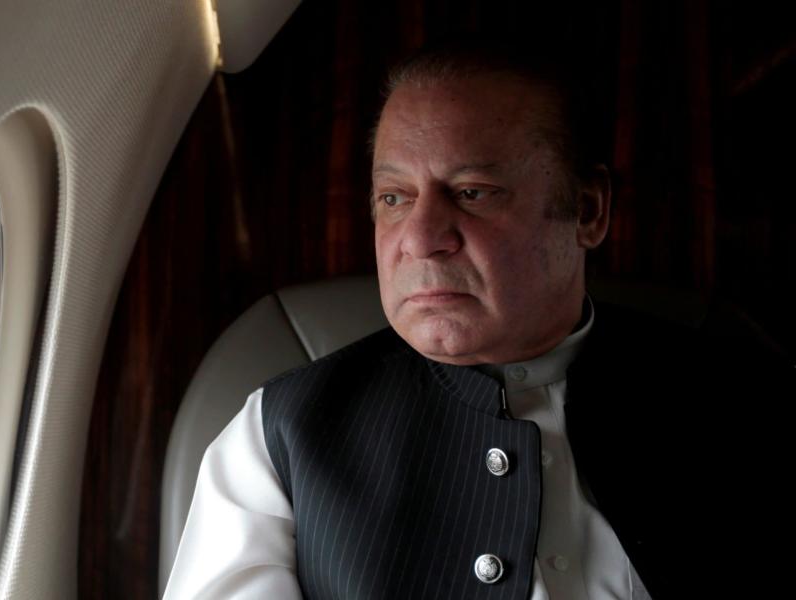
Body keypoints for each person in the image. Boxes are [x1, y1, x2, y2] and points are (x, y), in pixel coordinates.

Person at [163, 40, 790, 600]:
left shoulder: (750, 406)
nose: (421, 238)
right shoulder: (276, 437)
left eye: (472, 192)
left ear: (589, 210)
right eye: (394, 198)